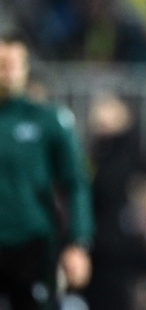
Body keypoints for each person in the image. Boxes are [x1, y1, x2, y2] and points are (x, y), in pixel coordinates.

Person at [0, 36, 93, 310]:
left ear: (25, 67)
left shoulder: (46, 120)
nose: (6, 72)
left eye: (12, 64)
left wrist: (78, 241)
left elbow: (75, 183)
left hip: (32, 246)